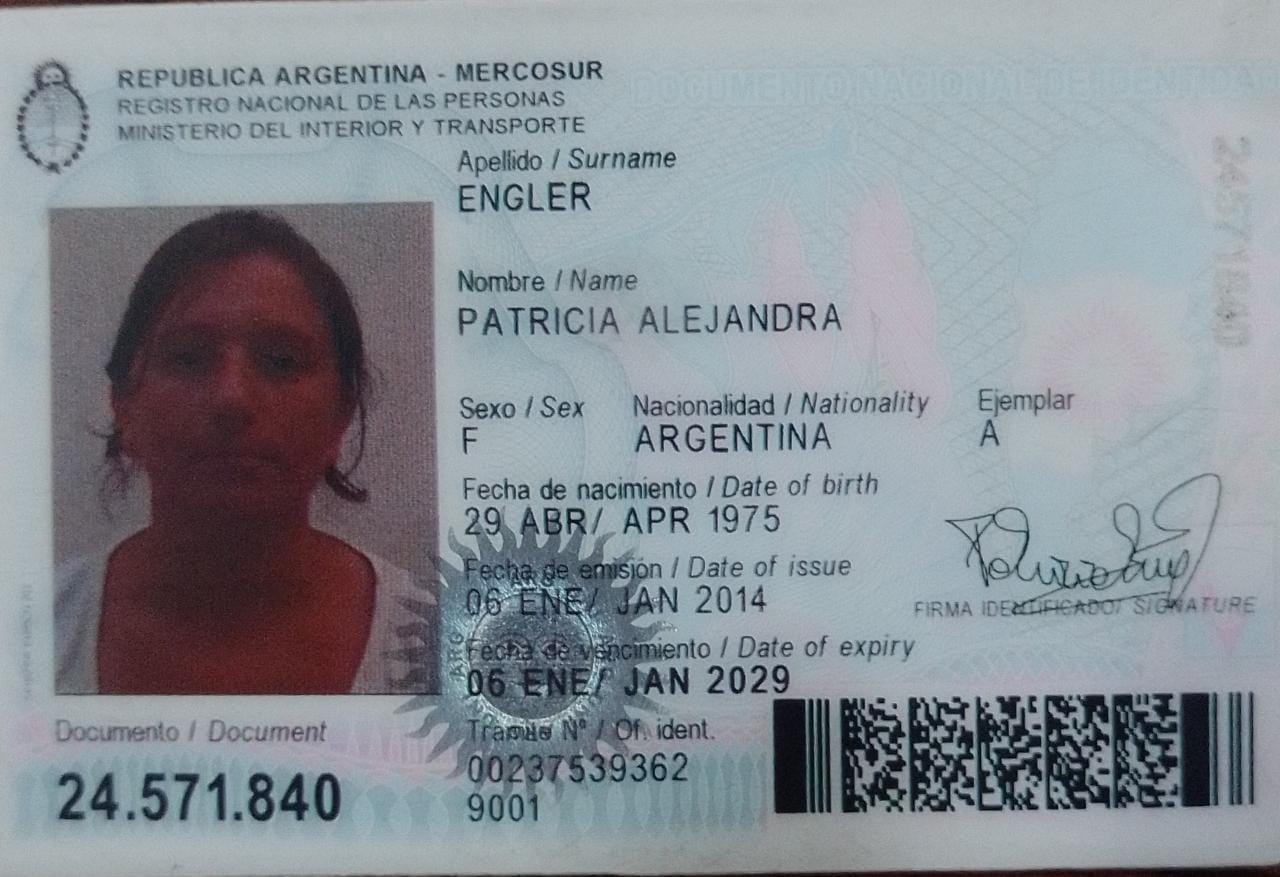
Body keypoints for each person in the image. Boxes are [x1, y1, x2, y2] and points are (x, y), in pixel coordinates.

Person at [55, 209, 432, 694]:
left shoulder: (435, 646)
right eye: (188, 357)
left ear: (340, 414)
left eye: (281, 361)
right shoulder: (37, 633)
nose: (232, 398)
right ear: (124, 405)